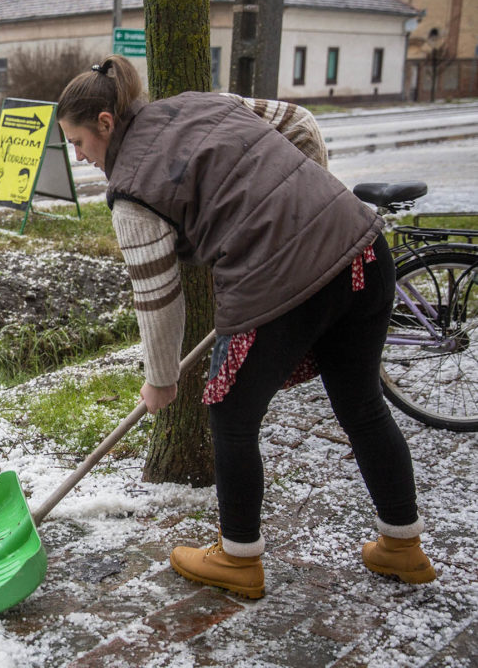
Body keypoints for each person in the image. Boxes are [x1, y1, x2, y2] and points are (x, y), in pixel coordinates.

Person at [56, 55, 436, 599]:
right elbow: (298, 121)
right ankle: (403, 546)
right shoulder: (201, 103)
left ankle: (238, 558)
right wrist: (311, 203)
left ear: (105, 123)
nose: (80, 157)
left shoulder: (131, 192)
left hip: (280, 279)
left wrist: (161, 379)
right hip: (361, 248)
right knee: (361, 403)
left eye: (78, 143)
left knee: (230, 416)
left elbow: (158, 299)